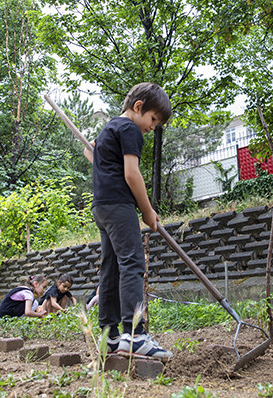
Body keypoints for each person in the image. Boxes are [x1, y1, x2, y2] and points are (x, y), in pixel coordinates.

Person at [83, 82, 173, 360]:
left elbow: (93, 154)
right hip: (120, 206)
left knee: (110, 268)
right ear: (138, 108)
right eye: (153, 119)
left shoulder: (110, 128)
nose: (152, 127)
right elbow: (132, 174)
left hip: (101, 207)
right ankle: (135, 335)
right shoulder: (130, 129)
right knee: (133, 263)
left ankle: (108, 338)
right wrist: (147, 211)